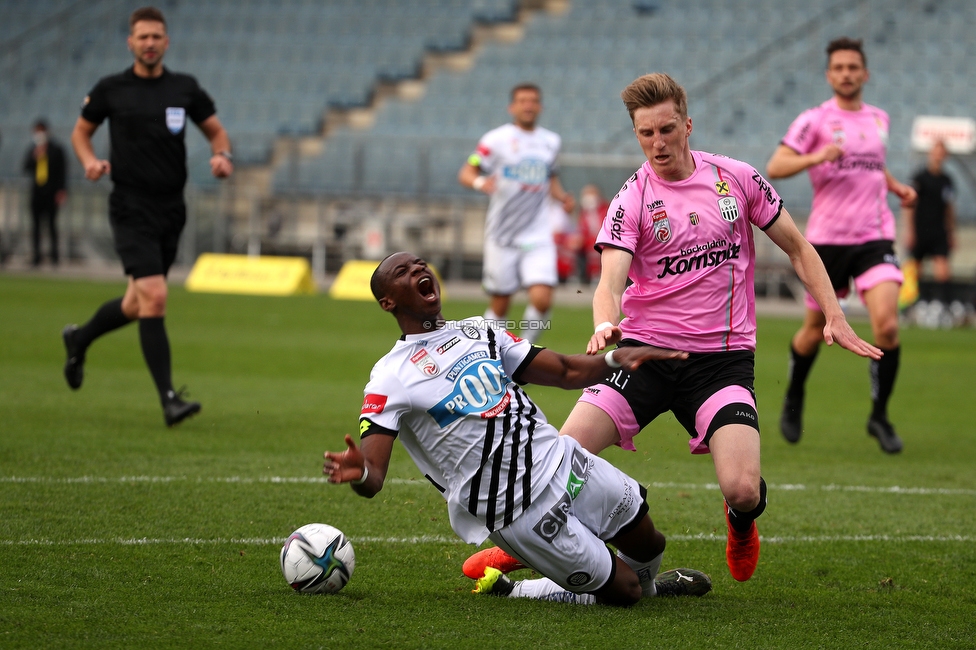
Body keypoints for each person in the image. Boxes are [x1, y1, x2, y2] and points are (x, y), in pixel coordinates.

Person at [464, 72, 881, 585]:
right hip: (642, 354)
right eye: (645, 134)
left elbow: (798, 247)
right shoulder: (632, 198)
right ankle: (528, 546)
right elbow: (610, 281)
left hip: (720, 361)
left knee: (743, 490)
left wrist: (834, 314)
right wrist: (604, 322)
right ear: (636, 134)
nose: (657, 144)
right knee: (561, 457)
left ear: (687, 124)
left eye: (666, 130)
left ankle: (741, 523)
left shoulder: (737, 179)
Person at [323, 252, 712, 606]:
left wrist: (615, 359)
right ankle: (518, 588)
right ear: (387, 302)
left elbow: (565, 371)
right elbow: (373, 478)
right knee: (624, 593)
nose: (419, 269)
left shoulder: (479, 331)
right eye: (403, 271)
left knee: (648, 543)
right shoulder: (390, 376)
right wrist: (360, 474)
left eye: (420, 263)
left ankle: (652, 588)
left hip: (563, 460)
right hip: (516, 510)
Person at [62, 6, 233, 426]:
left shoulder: (184, 88)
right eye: (143, 37)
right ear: (131, 42)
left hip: (171, 209)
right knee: (155, 297)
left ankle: (78, 339)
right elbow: (81, 132)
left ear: (166, 41)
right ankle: (169, 399)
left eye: (157, 36)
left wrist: (222, 155)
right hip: (130, 206)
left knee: (137, 304)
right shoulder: (110, 89)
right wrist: (88, 161)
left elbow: (215, 130)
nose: (150, 43)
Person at [766, 37, 917, 454]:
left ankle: (879, 415)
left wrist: (895, 187)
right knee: (814, 332)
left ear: (865, 74)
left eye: (854, 67)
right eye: (839, 68)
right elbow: (776, 166)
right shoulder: (813, 121)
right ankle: (795, 395)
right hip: (827, 242)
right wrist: (816, 157)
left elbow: (873, 164)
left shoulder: (879, 119)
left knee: (887, 324)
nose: (847, 74)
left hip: (875, 235)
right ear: (829, 74)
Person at [458, 84, 576, 344]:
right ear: (512, 107)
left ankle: (525, 352)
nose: (528, 105)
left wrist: (563, 197)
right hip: (502, 235)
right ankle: (486, 351)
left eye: (533, 100)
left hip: (537, 233)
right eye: (522, 101)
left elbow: (551, 181)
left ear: (540, 106)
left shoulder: (550, 142)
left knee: (542, 299)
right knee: (501, 302)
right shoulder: (495, 140)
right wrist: (480, 182)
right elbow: (468, 171)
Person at [904, 139, 955, 305]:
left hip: (939, 231)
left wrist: (951, 232)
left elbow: (949, 209)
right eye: (936, 151)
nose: (938, 155)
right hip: (920, 230)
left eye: (942, 152)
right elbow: (910, 206)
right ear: (930, 153)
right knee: (914, 270)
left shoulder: (947, 181)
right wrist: (910, 230)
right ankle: (911, 305)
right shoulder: (920, 178)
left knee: (943, 271)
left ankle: (944, 306)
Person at [22, 119, 68, 267]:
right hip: (37, 192)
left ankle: (54, 256)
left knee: (51, 224)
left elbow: (62, 172)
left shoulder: (57, 150)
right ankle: (37, 256)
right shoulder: (33, 150)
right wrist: (35, 156)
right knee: (36, 226)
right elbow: (26, 168)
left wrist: (62, 191)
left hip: (52, 192)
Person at [577, 184, 610, 284]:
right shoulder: (584, 213)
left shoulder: (606, 209)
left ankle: (600, 275)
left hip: (605, 241)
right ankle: (583, 276)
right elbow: (582, 231)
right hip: (588, 243)